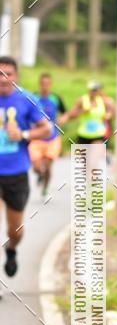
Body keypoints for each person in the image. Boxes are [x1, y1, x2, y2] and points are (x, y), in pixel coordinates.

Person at [0, 56, 52, 283]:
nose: (3, 79)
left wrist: (23, 135)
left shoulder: (26, 100)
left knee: (16, 231)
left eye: (8, 74)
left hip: (16, 174)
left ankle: (11, 249)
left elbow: (46, 129)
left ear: (16, 76)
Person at [29, 73, 66, 195]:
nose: (45, 86)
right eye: (43, 83)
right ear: (40, 84)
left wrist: (62, 120)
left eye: (47, 84)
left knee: (48, 167)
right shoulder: (33, 97)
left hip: (53, 137)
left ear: (50, 84)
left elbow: (65, 112)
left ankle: (45, 187)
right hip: (37, 137)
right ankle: (39, 173)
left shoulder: (56, 98)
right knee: (36, 167)